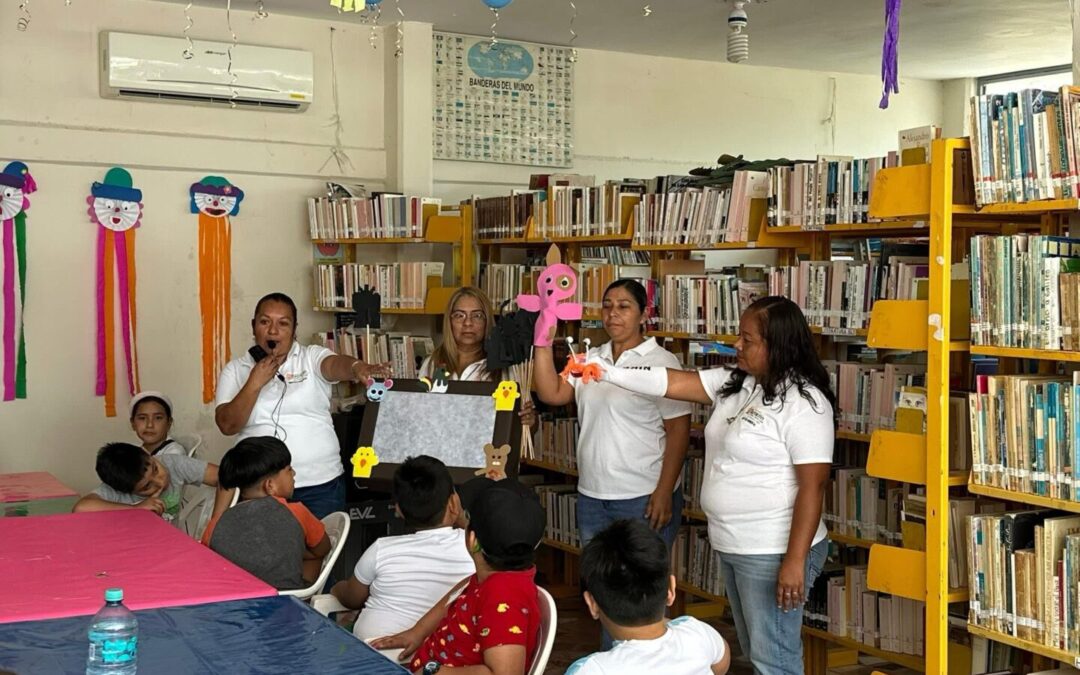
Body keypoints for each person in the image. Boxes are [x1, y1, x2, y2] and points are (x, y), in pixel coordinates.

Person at [583, 296, 834, 675]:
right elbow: (666, 382)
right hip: (735, 543)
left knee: (774, 658)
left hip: (771, 546)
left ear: (777, 345)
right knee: (755, 648)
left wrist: (794, 561)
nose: (737, 345)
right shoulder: (736, 384)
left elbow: (812, 488)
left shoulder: (805, 403)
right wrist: (607, 372)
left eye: (748, 340)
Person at [533, 279, 691, 549]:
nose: (612, 313)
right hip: (592, 494)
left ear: (644, 315)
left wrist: (664, 491)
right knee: (598, 581)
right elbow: (552, 394)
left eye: (623, 306)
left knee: (639, 583)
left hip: (642, 495)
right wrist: (542, 342)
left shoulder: (662, 362)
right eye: (607, 306)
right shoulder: (589, 358)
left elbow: (678, 432)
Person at [214, 292, 389, 519]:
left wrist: (356, 367)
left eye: (283, 324)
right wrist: (254, 382)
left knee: (319, 550)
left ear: (294, 329)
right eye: (265, 322)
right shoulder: (235, 370)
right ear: (253, 326)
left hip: (320, 484)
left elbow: (333, 364)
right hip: (259, 487)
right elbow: (227, 425)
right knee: (262, 552)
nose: (273, 331)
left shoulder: (310, 357)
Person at [371, 478, 544, 675]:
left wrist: (434, 671)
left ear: (472, 540)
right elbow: (458, 593)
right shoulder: (495, 579)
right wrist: (417, 633)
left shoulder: (503, 598)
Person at [330, 455, 475, 641]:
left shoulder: (381, 549)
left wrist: (336, 588)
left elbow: (352, 598)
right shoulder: (474, 548)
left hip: (376, 653)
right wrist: (461, 517)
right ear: (453, 502)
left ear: (398, 509)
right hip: (442, 656)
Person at [567, 519, 730, 675]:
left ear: (592, 604)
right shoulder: (698, 634)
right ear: (671, 589)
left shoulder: (591, 670)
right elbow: (722, 664)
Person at [204, 437, 330, 589]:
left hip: (233, 602)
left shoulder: (216, 523)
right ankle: (307, 598)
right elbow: (323, 548)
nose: (294, 473)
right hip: (285, 601)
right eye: (289, 470)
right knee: (314, 556)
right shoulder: (297, 512)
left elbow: (209, 562)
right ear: (270, 486)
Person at [420, 286, 535, 427]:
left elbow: (527, 425)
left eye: (477, 316)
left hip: (489, 448)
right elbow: (421, 414)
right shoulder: (432, 363)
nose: (468, 323)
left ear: (487, 321)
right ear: (449, 322)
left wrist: (530, 421)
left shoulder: (507, 366)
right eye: (459, 315)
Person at [72, 442, 232, 525]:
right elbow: (81, 508)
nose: (160, 481)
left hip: (171, 546)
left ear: (149, 454)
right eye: (147, 487)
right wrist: (135, 509)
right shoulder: (117, 489)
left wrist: (215, 522)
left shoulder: (173, 464)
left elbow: (226, 477)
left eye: (155, 469)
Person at [129, 391, 185, 456]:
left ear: (169, 423)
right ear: (133, 423)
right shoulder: (135, 452)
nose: (149, 425)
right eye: (142, 418)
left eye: (158, 418)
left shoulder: (174, 453)